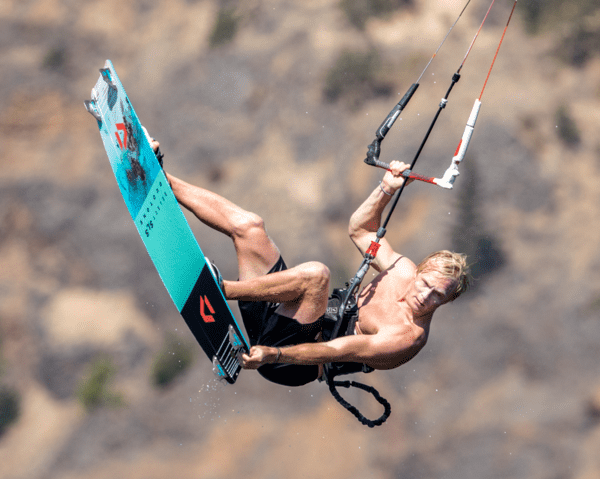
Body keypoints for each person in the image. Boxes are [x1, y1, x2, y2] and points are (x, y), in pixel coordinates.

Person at [153, 141, 471, 386]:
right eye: (426, 285)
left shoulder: (407, 337)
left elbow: (333, 351)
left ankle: (220, 290)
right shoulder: (401, 271)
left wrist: (273, 354)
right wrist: (386, 189)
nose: (426, 296)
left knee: (316, 275)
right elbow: (360, 230)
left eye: (438, 296)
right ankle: (161, 179)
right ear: (419, 272)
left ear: (447, 301)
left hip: (290, 362)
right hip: (284, 316)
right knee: (249, 227)